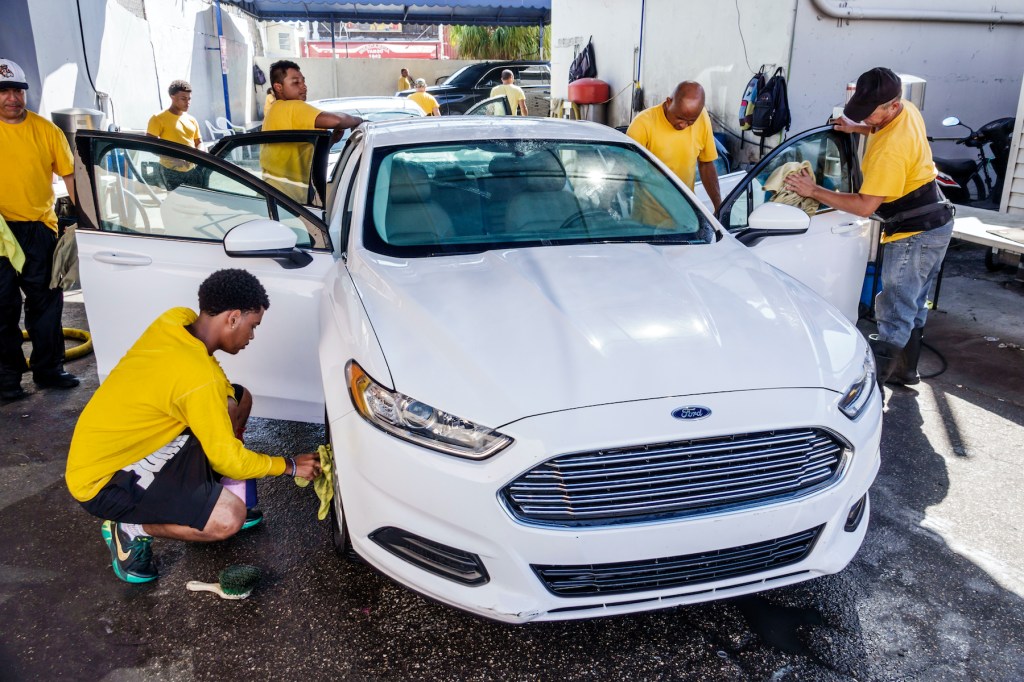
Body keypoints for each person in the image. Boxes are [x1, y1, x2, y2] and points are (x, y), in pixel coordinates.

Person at [65, 269, 320, 583]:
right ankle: (130, 528)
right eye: (252, 327)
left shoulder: (177, 320)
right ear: (233, 318)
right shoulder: (198, 379)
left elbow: (212, 375)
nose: (251, 338)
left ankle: (210, 493)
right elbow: (229, 458)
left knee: (239, 399)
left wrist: (226, 398)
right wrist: (290, 466)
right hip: (104, 480)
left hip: (131, 444)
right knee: (229, 519)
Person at [784, 67, 954, 388]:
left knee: (894, 312)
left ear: (892, 104)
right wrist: (858, 126)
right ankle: (905, 371)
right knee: (914, 305)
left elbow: (864, 206)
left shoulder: (891, 151)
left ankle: (869, 390)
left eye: (870, 113)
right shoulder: (906, 112)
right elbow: (881, 127)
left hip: (914, 235)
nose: (867, 118)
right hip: (937, 222)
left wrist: (813, 191)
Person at [0, 57, 80, 401]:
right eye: (3, 91)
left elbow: (70, 175)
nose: (12, 98)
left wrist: (84, 219)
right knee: (1, 307)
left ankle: (49, 370)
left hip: (39, 228)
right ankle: (6, 379)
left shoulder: (47, 130)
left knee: (46, 303)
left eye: (17, 90)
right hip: (0, 231)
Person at [261, 59, 363, 202]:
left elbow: (299, 154)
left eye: (303, 81)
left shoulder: (275, 110)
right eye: (296, 82)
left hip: (273, 194)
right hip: (289, 199)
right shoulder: (292, 107)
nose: (303, 87)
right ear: (278, 87)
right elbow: (338, 120)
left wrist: (331, 141)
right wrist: (359, 121)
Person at [626, 80, 722, 212]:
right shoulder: (642, 125)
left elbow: (706, 164)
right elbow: (626, 169)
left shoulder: (702, 117)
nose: (683, 125)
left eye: (690, 121)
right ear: (668, 102)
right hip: (648, 218)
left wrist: (719, 207)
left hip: (685, 215)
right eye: (679, 118)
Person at [146, 79, 202, 191]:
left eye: (189, 99)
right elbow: (150, 145)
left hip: (192, 170)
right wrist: (175, 160)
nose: (188, 102)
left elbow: (199, 142)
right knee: (177, 205)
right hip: (170, 170)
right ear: (172, 97)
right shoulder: (158, 118)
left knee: (195, 204)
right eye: (183, 99)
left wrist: (200, 155)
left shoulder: (191, 119)